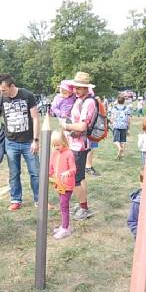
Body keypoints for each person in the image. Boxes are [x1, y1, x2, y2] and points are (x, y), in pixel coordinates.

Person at [0, 73, 40, 211]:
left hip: (29, 142)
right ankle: (16, 199)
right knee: (14, 173)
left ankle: (39, 199)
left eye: (3, 90)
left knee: (35, 172)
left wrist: (36, 140)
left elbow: (35, 118)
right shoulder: (0, 99)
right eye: (0, 90)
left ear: (12, 86)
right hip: (10, 143)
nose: (1, 93)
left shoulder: (27, 95)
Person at [59, 71, 96, 221]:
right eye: (75, 87)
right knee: (80, 178)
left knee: (75, 179)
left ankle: (84, 208)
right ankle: (83, 205)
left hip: (79, 146)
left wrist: (66, 126)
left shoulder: (88, 102)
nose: (76, 90)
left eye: (80, 88)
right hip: (75, 144)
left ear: (87, 88)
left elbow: (82, 127)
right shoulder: (81, 100)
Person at [48, 130, 76, 239]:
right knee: (62, 205)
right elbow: (51, 168)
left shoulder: (69, 153)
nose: (56, 147)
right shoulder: (54, 153)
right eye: (54, 145)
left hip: (67, 185)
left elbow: (73, 169)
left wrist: (67, 172)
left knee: (64, 206)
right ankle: (65, 225)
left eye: (58, 145)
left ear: (64, 142)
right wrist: (47, 175)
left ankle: (65, 228)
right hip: (58, 184)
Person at [110, 95, 132, 159]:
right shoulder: (126, 109)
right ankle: (122, 153)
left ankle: (119, 148)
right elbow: (128, 119)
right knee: (123, 140)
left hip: (116, 125)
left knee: (116, 140)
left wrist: (112, 123)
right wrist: (128, 128)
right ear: (124, 101)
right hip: (124, 126)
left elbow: (112, 118)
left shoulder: (114, 108)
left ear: (117, 101)